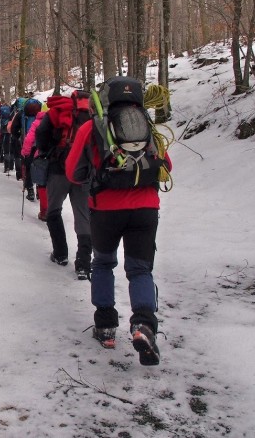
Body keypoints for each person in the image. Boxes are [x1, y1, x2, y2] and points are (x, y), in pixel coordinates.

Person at [65, 97, 172, 366]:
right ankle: (143, 325)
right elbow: (166, 166)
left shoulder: (92, 127)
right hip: (146, 209)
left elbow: (73, 173)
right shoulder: (147, 125)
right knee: (140, 270)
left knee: (102, 263)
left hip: (105, 210)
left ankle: (106, 327)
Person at [35, 90, 92, 280]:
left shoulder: (57, 111)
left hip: (59, 168)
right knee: (83, 215)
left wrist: (47, 151)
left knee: (53, 210)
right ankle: (83, 264)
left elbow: (41, 134)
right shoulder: (93, 114)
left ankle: (60, 254)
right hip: (84, 170)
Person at [21, 102, 49, 219]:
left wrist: (25, 153)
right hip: (58, 157)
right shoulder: (59, 120)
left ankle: (44, 211)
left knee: (42, 183)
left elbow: (29, 140)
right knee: (52, 184)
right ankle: (54, 210)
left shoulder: (37, 122)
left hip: (40, 155)